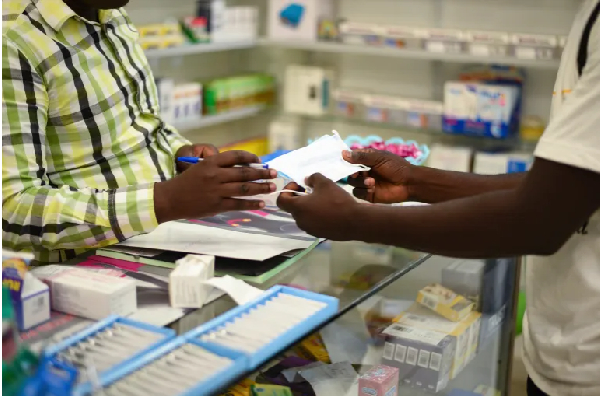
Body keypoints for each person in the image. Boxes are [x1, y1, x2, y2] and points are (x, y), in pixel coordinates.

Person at [278, 2, 600, 396]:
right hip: (565, 351)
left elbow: (539, 219)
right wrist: (415, 183)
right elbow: (558, 187)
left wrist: (354, 221)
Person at [2, 0, 277, 263]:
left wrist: (178, 151)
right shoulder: (13, 40)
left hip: (163, 238)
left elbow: (140, 122)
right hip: (87, 266)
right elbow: (13, 210)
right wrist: (166, 200)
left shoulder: (111, 14)